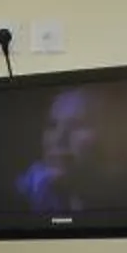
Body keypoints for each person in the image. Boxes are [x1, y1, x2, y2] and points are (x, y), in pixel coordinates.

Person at [16, 86, 104, 214]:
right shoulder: (23, 194)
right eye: (52, 125)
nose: (59, 138)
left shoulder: (123, 199)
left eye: (76, 125)